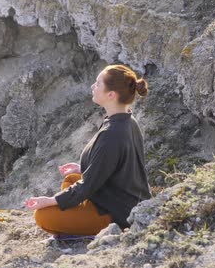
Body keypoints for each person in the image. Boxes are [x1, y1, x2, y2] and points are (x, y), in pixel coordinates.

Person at [24, 64, 152, 236]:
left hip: (118, 213)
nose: (93, 86)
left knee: (43, 216)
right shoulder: (126, 120)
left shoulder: (112, 133)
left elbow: (88, 185)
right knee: (71, 178)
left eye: (98, 84)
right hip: (123, 197)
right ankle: (78, 217)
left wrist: (49, 200)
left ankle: (104, 229)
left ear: (111, 95)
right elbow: (116, 165)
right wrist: (82, 168)